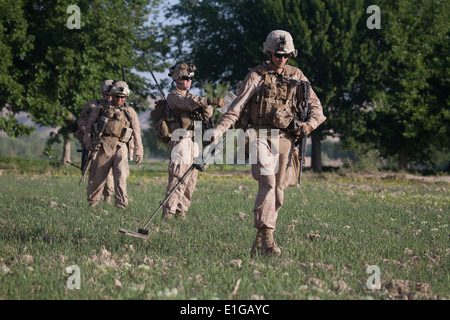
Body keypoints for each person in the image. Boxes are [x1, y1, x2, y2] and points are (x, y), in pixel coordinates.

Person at [212, 30, 326, 256]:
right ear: (269, 52)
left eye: (285, 55)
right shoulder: (257, 75)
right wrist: (220, 129)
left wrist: (309, 125)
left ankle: (260, 242)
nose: (281, 59)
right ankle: (267, 237)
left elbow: (316, 108)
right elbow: (236, 106)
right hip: (259, 136)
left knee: (279, 192)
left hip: (286, 140)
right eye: (277, 54)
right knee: (268, 182)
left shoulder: (298, 76)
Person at [161, 62, 225, 220]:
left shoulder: (193, 98)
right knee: (178, 176)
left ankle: (181, 210)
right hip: (181, 140)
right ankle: (168, 211)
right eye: (185, 78)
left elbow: (208, 114)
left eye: (190, 79)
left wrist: (207, 105)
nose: (188, 81)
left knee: (191, 178)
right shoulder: (173, 96)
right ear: (177, 79)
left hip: (195, 141)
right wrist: (207, 100)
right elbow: (185, 104)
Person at [83, 81, 143, 209]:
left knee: (121, 176)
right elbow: (88, 128)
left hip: (120, 146)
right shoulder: (100, 109)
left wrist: (139, 150)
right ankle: (92, 204)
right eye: (117, 96)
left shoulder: (129, 111)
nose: (120, 99)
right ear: (112, 95)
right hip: (103, 146)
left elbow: (137, 132)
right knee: (98, 178)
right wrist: (88, 143)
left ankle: (121, 205)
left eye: (122, 97)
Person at [74, 80, 114, 203]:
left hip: (109, 144)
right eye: (107, 94)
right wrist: (88, 131)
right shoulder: (91, 105)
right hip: (93, 143)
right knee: (92, 172)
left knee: (109, 174)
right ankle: (92, 200)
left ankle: (107, 197)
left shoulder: (118, 108)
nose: (109, 97)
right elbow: (81, 122)